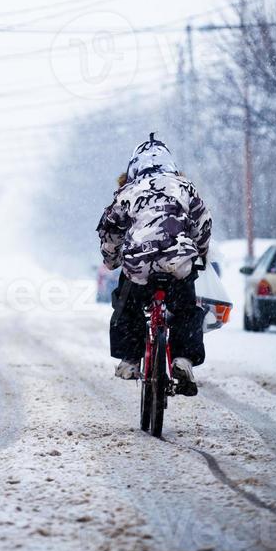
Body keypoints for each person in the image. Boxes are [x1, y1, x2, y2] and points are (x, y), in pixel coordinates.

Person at [97, 133, 212, 396]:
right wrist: (201, 253)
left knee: (127, 305)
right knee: (185, 309)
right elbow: (203, 224)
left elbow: (110, 230)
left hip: (140, 264)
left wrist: (111, 259)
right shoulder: (184, 187)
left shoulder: (127, 191)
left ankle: (129, 358)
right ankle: (183, 358)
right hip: (178, 262)